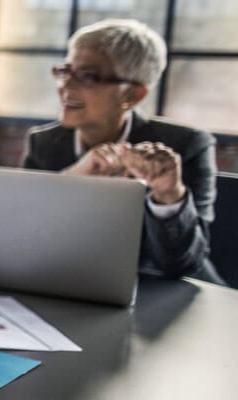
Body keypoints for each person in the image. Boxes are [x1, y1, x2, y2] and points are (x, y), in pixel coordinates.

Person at [21, 19, 220, 282]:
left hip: (169, 294)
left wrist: (168, 195)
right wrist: (70, 180)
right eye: (65, 71)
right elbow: (21, 235)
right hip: (80, 287)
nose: (66, 87)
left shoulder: (187, 146)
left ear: (133, 96)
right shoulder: (44, 143)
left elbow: (182, 264)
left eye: (88, 77)